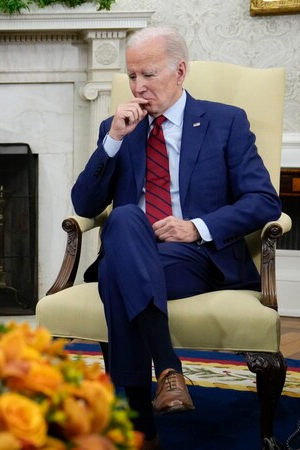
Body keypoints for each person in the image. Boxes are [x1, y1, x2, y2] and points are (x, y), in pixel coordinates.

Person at [72, 26, 282, 448]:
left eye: (148, 75)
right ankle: (169, 372)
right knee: (127, 218)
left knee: (116, 270)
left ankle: (139, 427)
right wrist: (112, 141)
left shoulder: (225, 122)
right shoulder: (119, 129)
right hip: (138, 245)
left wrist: (196, 228)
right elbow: (85, 204)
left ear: (180, 71)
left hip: (198, 256)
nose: (138, 87)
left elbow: (263, 200)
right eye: (131, 77)